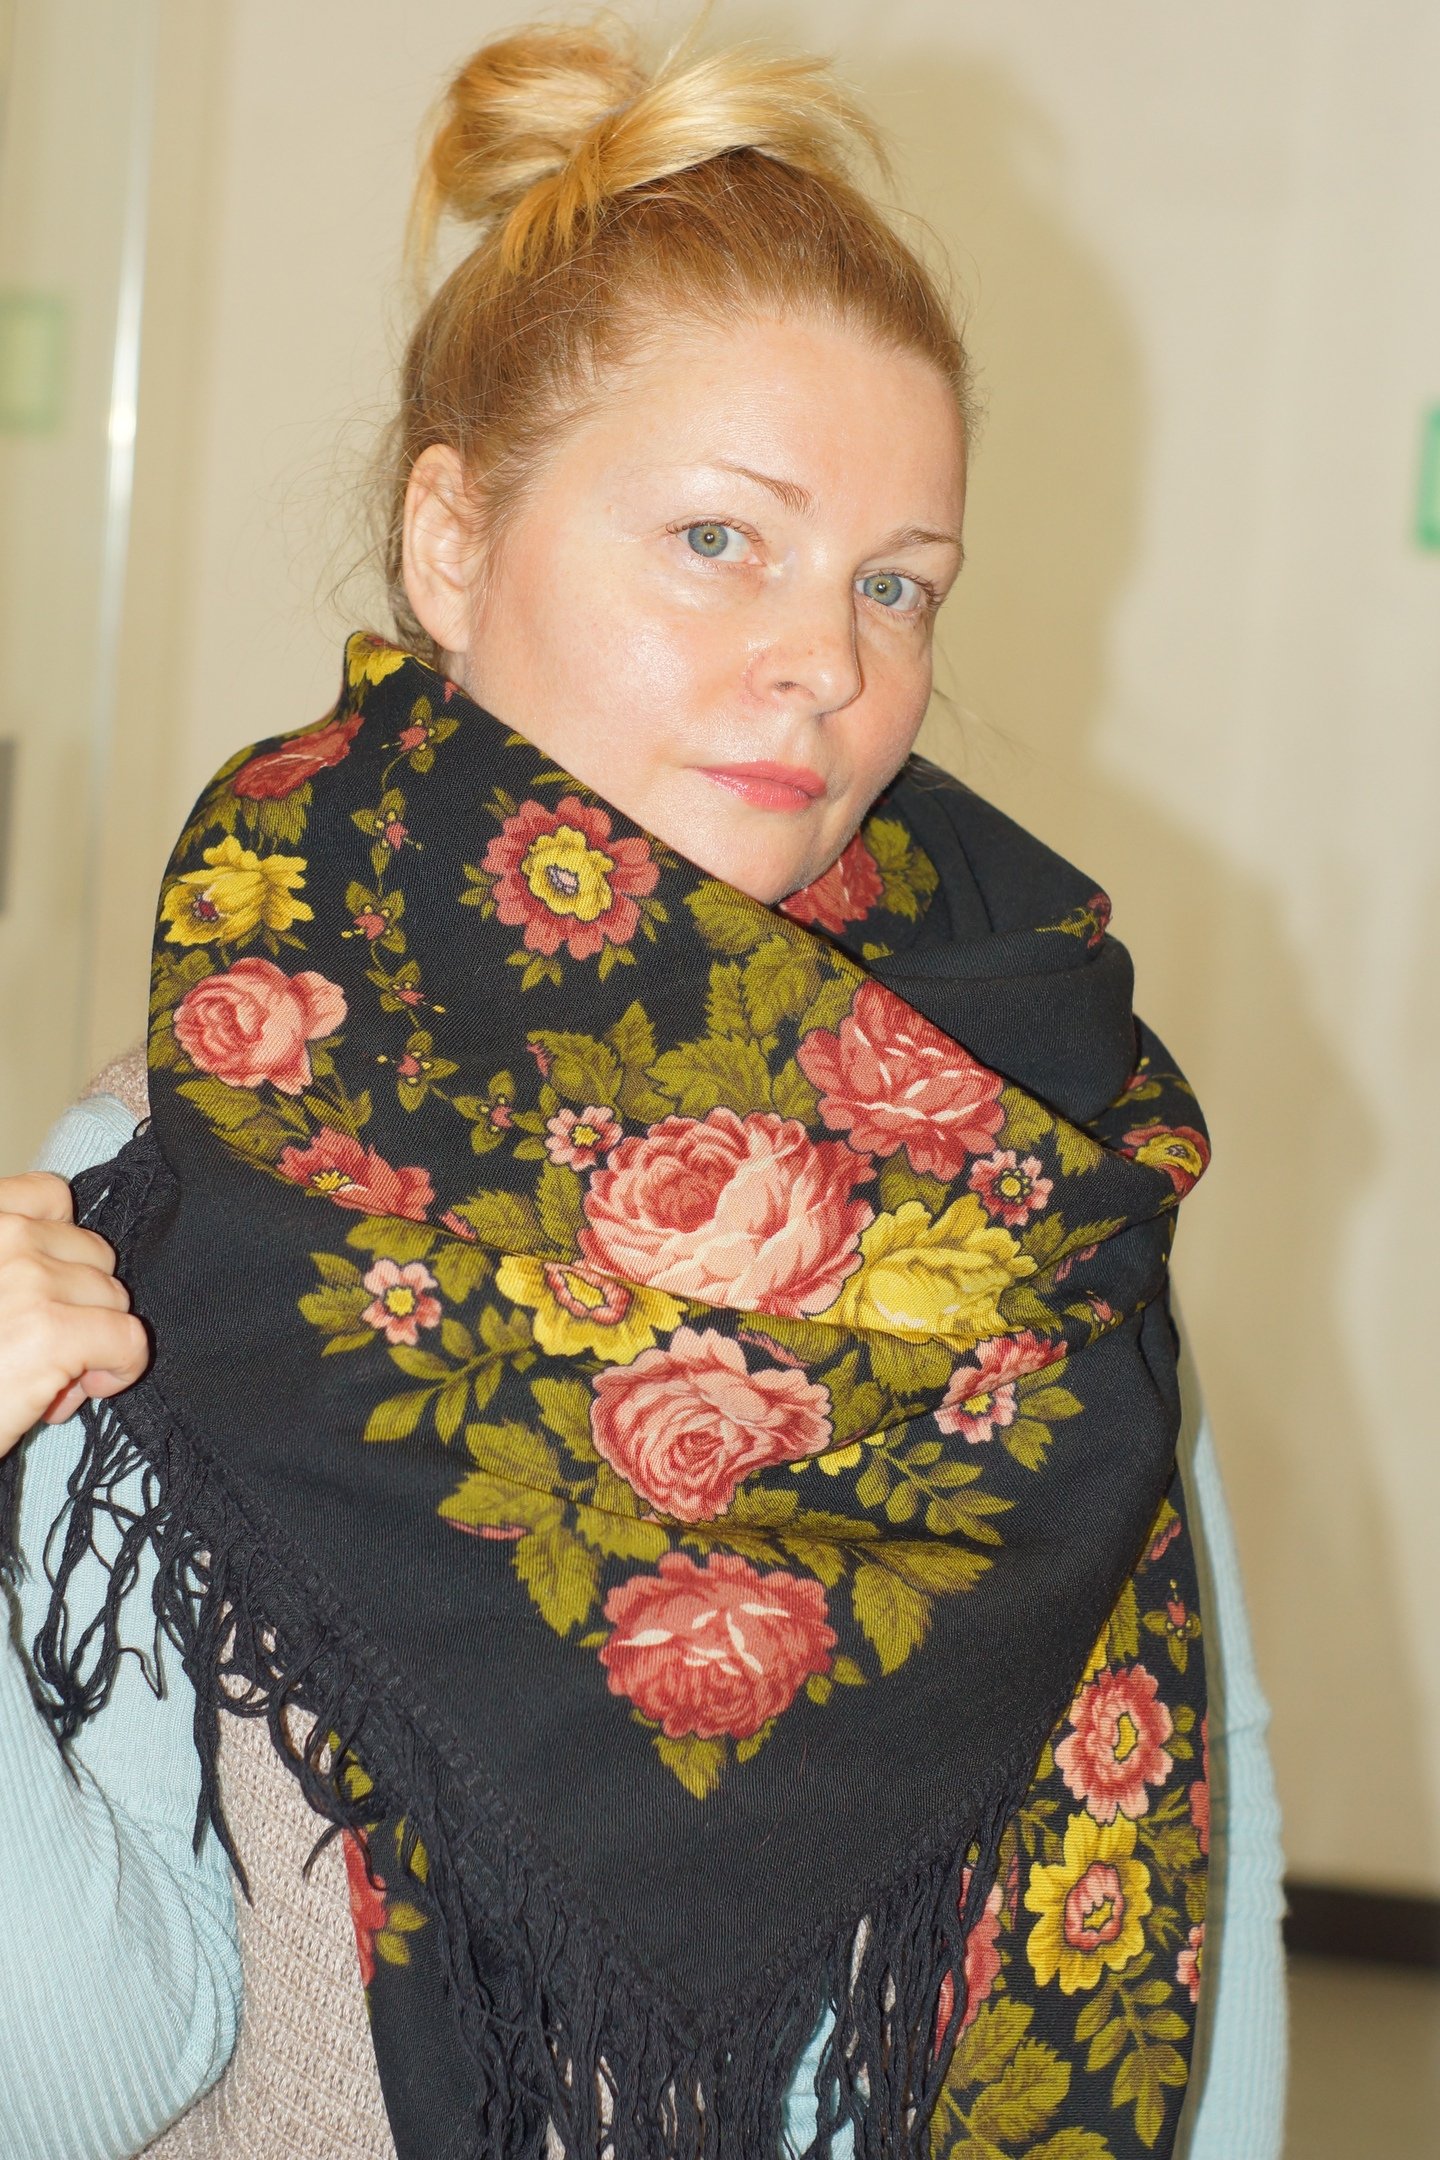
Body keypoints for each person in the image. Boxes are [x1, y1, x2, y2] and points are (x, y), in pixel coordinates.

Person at [0, 21, 1286, 2159]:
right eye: (718, 539)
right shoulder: (166, 1187)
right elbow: (72, 2075)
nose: (831, 662)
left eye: (895, 584)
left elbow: (1204, 1854)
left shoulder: (1031, 1176)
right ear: (450, 541)